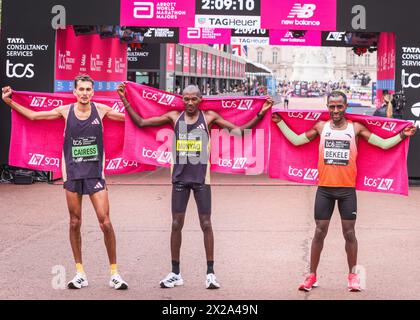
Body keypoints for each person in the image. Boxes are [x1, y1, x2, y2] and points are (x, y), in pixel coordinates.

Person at [118, 84, 273, 289]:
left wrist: (261, 113)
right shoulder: (174, 117)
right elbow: (140, 122)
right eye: (186, 99)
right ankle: (175, 273)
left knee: (206, 224)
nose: (190, 103)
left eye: (194, 99)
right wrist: (124, 99)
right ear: (182, 99)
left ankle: (210, 274)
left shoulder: (208, 118)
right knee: (176, 225)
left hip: (201, 180)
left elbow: (238, 132)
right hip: (180, 179)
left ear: (201, 100)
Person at [272, 90, 416, 292]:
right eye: (332, 106)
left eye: (339, 106)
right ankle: (311, 276)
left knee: (349, 234)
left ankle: (352, 276)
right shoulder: (321, 127)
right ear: (327, 107)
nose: (336, 110)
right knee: (319, 232)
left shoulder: (355, 128)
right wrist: (279, 122)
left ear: (346, 107)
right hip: (325, 190)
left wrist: (402, 134)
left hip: (347, 191)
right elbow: (296, 141)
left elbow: (383, 144)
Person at [2, 75, 129, 290]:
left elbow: (131, 120)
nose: (85, 93)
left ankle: (115, 273)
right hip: (72, 173)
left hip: (95, 173)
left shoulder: (100, 110)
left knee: (105, 222)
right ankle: (80, 272)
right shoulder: (65, 111)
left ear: (93, 92)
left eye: (89, 89)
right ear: (74, 92)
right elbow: (33, 116)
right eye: (81, 89)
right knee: (74, 222)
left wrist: (125, 99)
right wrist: (10, 102)